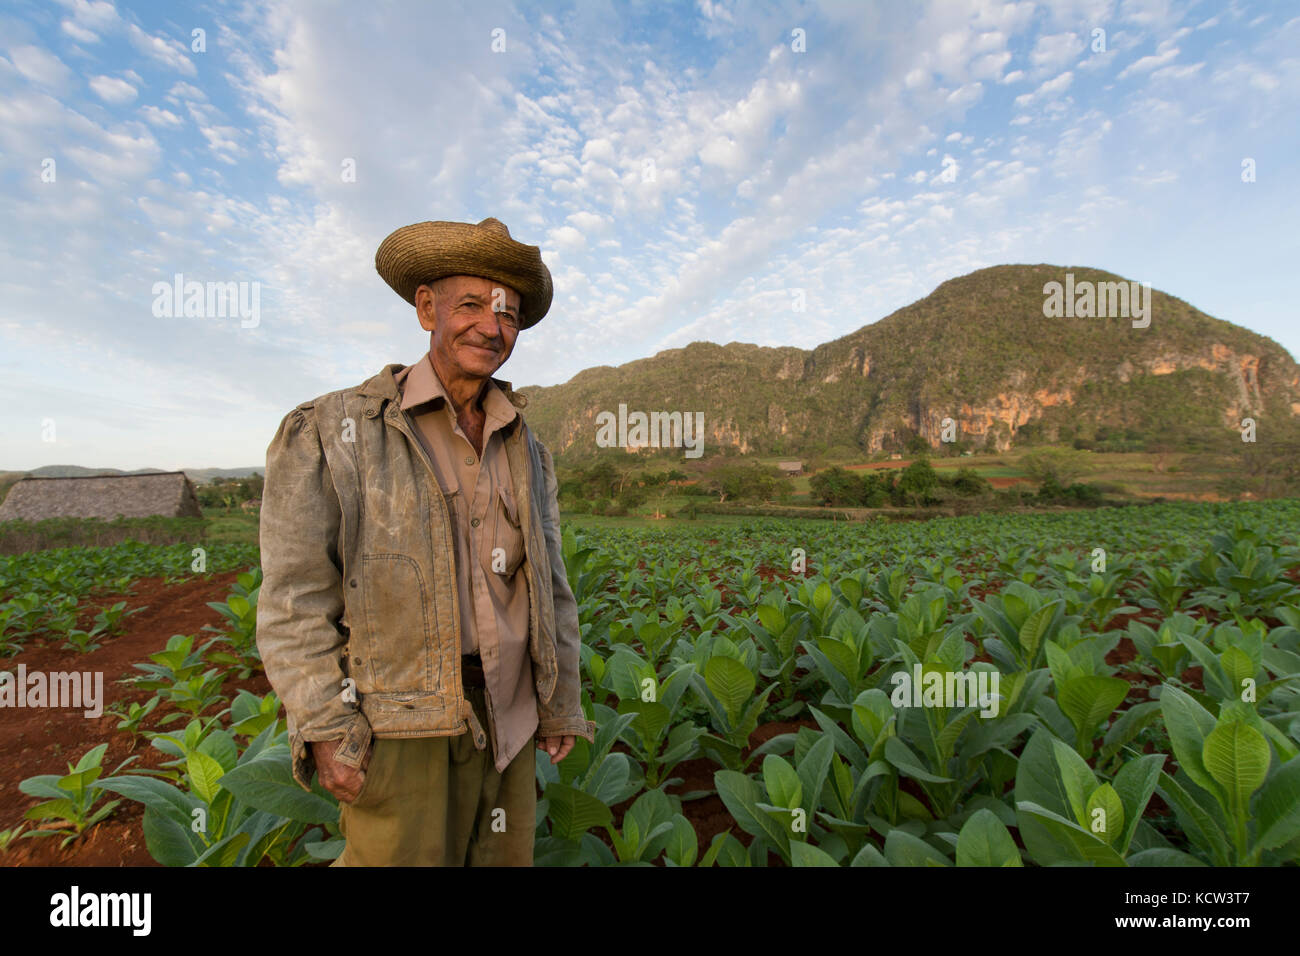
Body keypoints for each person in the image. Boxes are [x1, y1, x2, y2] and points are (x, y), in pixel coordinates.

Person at [256, 216, 595, 866]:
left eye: (509, 315)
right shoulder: (332, 432)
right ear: (425, 307)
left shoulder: (529, 449)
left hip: (509, 719)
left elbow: (550, 586)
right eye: (471, 304)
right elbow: (295, 601)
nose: (492, 328)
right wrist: (325, 726)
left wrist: (560, 704)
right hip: (399, 726)